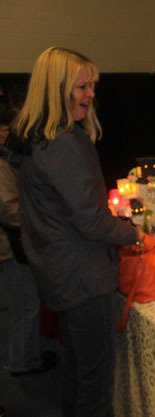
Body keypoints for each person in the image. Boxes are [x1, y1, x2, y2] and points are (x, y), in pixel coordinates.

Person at [13, 47, 143, 417]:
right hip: (83, 278)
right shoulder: (63, 143)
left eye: (92, 86)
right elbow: (90, 221)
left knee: (76, 373)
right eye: (82, 87)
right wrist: (133, 234)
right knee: (95, 387)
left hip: (63, 275)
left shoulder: (39, 140)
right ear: (56, 90)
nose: (91, 94)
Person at [0, 104, 56, 377]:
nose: (7, 135)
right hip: (10, 247)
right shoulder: (1, 165)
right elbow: (9, 210)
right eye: (4, 130)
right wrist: (38, 219)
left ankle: (30, 354)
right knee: (25, 305)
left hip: (14, 244)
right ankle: (22, 362)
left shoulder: (8, 159)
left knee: (27, 303)